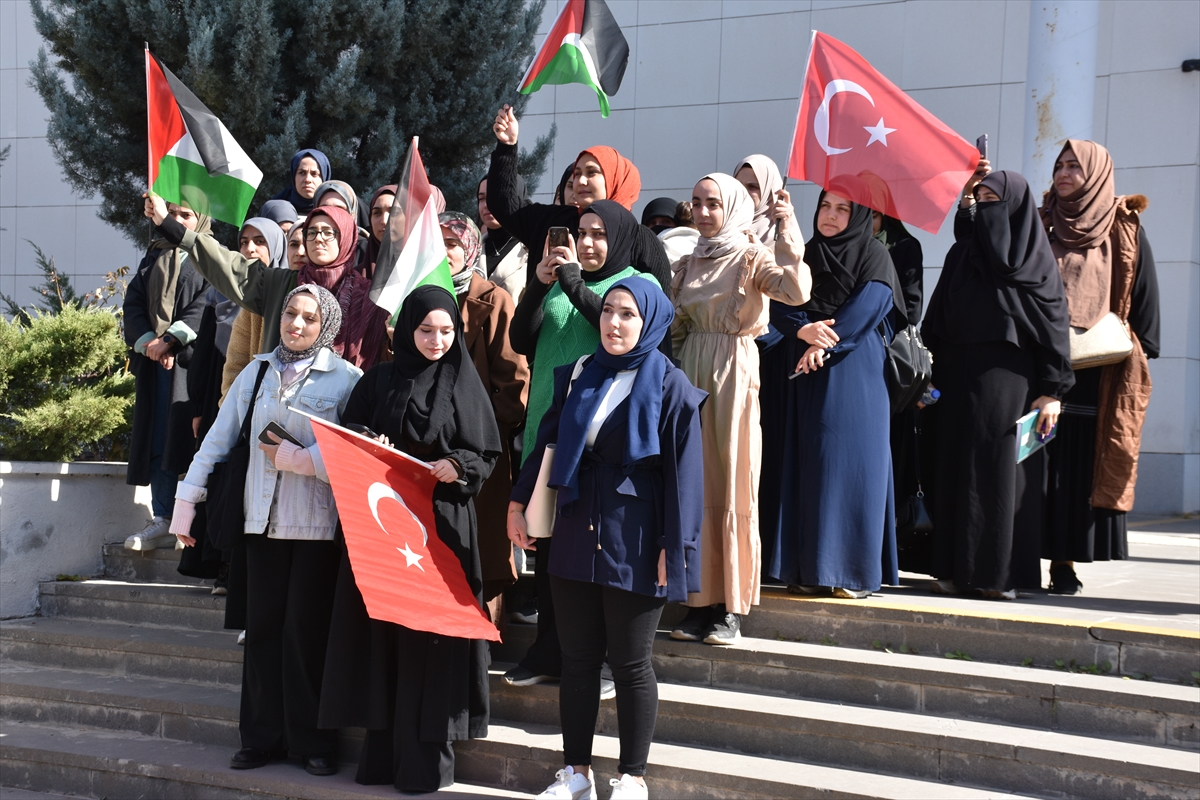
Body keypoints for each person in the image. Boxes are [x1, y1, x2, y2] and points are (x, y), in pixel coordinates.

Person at [510, 277, 706, 800]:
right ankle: (576, 773)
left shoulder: (671, 386)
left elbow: (684, 479)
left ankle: (633, 777)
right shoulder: (580, 372)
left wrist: (676, 547)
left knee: (631, 662)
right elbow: (547, 442)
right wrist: (517, 501)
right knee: (576, 658)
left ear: (650, 323)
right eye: (609, 312)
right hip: (575, 527)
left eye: (628, 315)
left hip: (637, 539)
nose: (614, 324)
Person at [169, 284, 362, 775]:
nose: (296, 325)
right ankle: (259, 738)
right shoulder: (255, 372)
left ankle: (312, 742)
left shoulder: (346, 379)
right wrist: (186, 502)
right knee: (263, 634)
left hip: (316, 528)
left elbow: (354, 455)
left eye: (310, 319)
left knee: (305, 634)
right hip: (260, 524)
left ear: (328, 327)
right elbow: (217, 440)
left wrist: (302, 461)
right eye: (290, 314)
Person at [319, 286, 501, 794]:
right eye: (425, 330)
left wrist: (457, 465)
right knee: (386, 641)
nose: (437, 340)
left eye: (446, 331)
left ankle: (425, 766)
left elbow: (485, 453)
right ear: (404, 331)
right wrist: (367, 442)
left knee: (433, 641)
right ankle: (380, 759)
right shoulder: (378, 379)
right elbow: (349, 431)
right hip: (384, 531)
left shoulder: (466, 383)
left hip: (441, 533)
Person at [504, 199, 656, 690]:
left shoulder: (637, 283)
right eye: (581, 232)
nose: (587, 243)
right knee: (549, 548)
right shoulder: (561, 278)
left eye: (598, 234)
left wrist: (571, 281)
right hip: (549, 424)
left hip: (603, 444)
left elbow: (617, 333)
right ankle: (550, 652)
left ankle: (606, 660)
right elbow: (522, 338)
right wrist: (540, 284)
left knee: (597, 551)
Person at [670, 173, 810, 644]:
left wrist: (788, 229)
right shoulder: (688, 263)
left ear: (730, 207)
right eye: (697, 202)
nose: (704, 212)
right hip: (691, 374)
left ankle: (729, 606)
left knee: (731, 479)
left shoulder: (752, 256)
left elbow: (795, 291)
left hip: (733, 370)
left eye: (713, 203)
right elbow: (676, 328)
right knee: (694, 481)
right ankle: (697, 601)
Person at [921, 167, 1074, 599]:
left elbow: (1053, 330)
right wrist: (926, 381)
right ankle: (952, 567)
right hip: (954, 382)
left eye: (994, 201)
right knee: (954, 471)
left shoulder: (1036, 265)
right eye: (980, 201)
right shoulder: (962, 256)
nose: (986, 209)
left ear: (1017, 209)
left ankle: (997, 575)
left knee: (999, 475)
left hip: (1013, 387)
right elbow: (935, 322)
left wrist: (1052, 391)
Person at [761, 189, 907, 598]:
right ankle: (806, 569)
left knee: (850, 464)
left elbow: (871, 305)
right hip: (804, 368)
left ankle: (852, 573)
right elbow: (779, 300)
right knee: (807, 464)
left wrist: (825, 341)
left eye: (843, 209)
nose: (831, 215)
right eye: (826, 206)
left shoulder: (875, 255)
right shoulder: (804, 254)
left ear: (859, 215)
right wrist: (802, 330)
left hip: (853, 369)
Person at [1039, 140, 1159, 594]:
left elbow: (1142, 291)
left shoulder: (1123, 225)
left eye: (1074, 166)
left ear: (1094, 173)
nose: (1065, 173)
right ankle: (1023, 552)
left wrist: (1142, 351)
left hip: (1098, 369)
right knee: (1035, 460)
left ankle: (1064, 562)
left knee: (1077, 466)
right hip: (1044, 362)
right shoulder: (1040, 221)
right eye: (1059, 165)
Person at [144, 196, 390, 371]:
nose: (318, 239)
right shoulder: (280, 284)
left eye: (329, 232)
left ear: (346, 239)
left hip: (343, 413)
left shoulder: (368, 297)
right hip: (280, 408)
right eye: (312, 232)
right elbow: (227, 264)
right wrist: (169, 225)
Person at [442, 211, 530, 623]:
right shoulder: (420, 296)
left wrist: (482, 433)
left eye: (453, 243)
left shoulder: (494, 299)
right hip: (431, 446)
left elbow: (514, 381)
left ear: (470, 248)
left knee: (482, 547)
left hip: (481, 447)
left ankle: (482, 639)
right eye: (436, 241)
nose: (443, 252)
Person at [488, 106, 672, 293]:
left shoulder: (639, 239)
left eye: (592, 172)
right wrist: (507, 147)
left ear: (615, 179)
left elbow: (659, 308)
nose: (580, 181)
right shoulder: (553, 220)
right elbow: (504, 205)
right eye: (577, 174)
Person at [122, 201, 211, 550]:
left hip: (194, 365)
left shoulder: (208, 255)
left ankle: (187, 522)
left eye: (185, 215)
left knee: (193, 441)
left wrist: (171, 341)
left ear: (201, 220)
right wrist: (150, 344)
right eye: (172, 213)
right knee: (159, 439)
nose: (175, 220)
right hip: (155, 366)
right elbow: (133, 302)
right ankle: (161, 515)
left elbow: (206, 304)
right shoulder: (153, 255)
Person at [478, 175, 530, 301]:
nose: (486, 204)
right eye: (481, 198)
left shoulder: (533, 249)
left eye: (494, 197)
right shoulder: (471, 250)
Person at [270, 149, 331, 215]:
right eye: (302, 173)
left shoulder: (333, 212)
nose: (307, 179)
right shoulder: (275, 211)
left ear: (324, 177)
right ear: (294, 176)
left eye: (314, 174)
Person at [362, 184, 397, 282]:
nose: (384, 221)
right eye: (377, 213)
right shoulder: (355, 279)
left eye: (393, 211)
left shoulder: (423, 270)